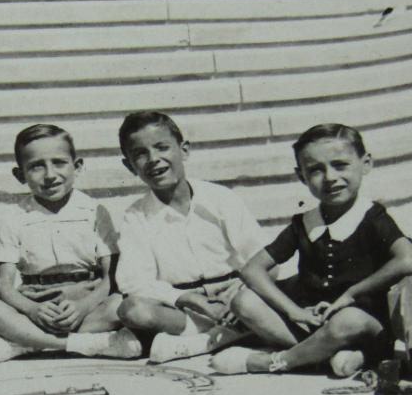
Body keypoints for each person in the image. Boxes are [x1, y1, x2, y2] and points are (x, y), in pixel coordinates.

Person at [213, 123, 412, 376]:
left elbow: (408, 260)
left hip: (363, 322)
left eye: (340, 165)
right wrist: (294, 311)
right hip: (314, 323)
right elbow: (253, 270)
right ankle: (326, 357)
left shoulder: (372, 217)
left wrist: (351, 294)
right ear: (301, 176)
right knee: (244, 301)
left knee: (347, 321)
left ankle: (277, 361)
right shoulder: (305, 222)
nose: (330, 177)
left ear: (366, 163)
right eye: (315, 170)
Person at [113, 111, 285, 362]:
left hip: (237, 293)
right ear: (129, 166)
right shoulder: (136, 216)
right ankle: (230, 335)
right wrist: (189, 299)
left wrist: (241, 292)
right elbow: (134, 281)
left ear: (183, 150)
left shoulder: (220, 198)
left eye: (162, 147)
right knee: (132, 310)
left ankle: (207, 341)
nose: (153, 159)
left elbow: (262, 256)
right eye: (140, 154)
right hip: (185, 307)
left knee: (268, 292)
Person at [0, 124, 141, 362]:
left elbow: (112, 277)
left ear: (78, 166)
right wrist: (32, 310)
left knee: (121, 305)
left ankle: (28, 343)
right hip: (38, 306)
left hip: (87, 303)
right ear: (20, 175)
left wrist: (84, 306)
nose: (50, 174)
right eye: (36, 166)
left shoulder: (94, 211)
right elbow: (2, 286)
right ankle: (83, 344)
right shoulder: (14, 218)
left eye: (59, 163)